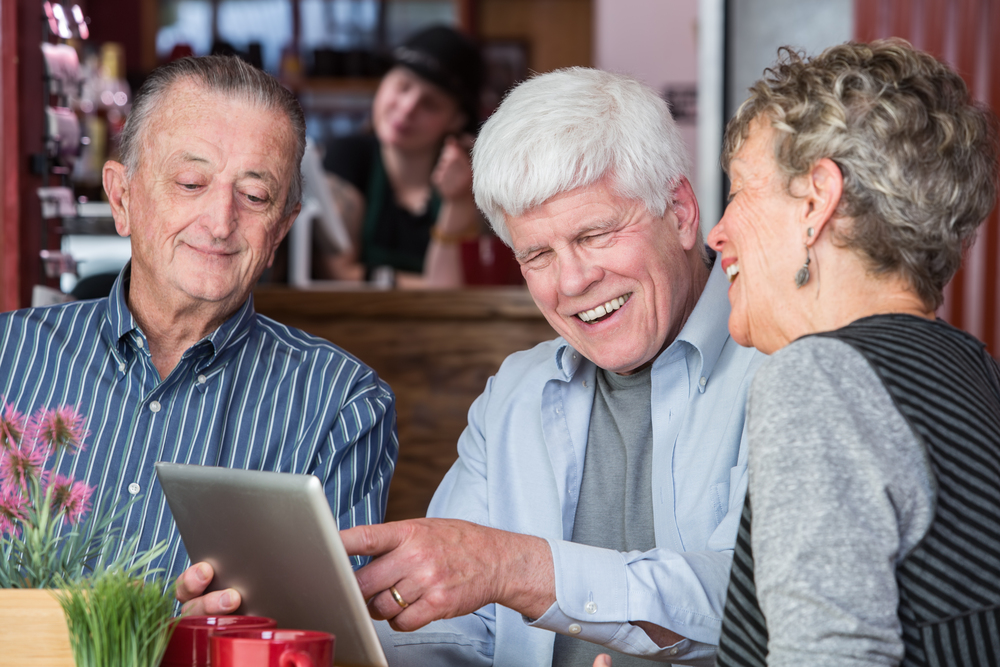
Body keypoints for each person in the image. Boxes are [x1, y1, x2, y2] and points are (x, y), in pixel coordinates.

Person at [181, 67, 765, 665]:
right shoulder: (516, 391)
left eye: (595, 234)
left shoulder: (782, 364)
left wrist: (517, 567)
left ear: (682, 212)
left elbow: (759, 600)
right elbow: (462, 632)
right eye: (536, 253)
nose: (573, 281)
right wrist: (302, 639)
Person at [0, 56, 399, 583]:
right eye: (191, 183)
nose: (219, 222)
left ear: (280, 230)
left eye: (254, 196)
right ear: (122, 198)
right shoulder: (10, 355)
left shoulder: (342, 406)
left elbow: (329, 644)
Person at [701, 40, 1000, 666]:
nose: (716, 232)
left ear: (816, 202)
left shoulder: (818, 380)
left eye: (740, 192)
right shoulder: (975, 370)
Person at [318, 25, 485, 288]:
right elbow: (338, 273)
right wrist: (425, 286)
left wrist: (458, 201)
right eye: (402, 86)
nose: (406, 109)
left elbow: (453, 292)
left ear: (457, 119)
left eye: (429, 103)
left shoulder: (471, 183)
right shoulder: (348, 156)